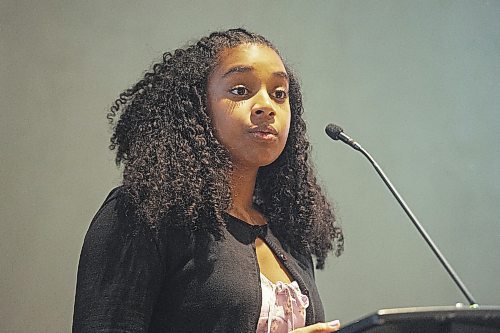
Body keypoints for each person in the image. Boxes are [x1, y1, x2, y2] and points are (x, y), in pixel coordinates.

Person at [73, 28, 344, 333]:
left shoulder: (288, 234)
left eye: (279, 94)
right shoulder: (142, 216)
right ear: (198, 107)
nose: (267, 106)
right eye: (240, 90)